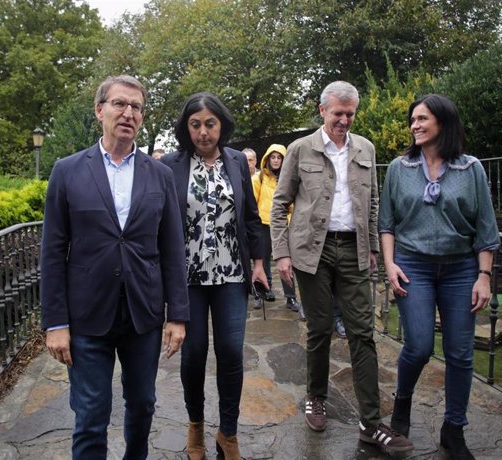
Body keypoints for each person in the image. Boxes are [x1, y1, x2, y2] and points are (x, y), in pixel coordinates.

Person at [40, 75, 189, 459]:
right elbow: (53, 250)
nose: (128, 113)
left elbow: (172, 247)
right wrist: (55, 323)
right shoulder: (67, 171)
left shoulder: (160, 174)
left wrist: (178, 315)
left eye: (136, 107)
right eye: (119, 104)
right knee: (90, 415)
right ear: (99, 110)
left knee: (142, 405)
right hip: (87, 315)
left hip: (143, 313)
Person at [271, 80, 413, 454]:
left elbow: (372, 202)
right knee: (319, 329)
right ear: (322, 111)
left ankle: (370, 423)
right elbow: (279, 204)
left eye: (350, 114)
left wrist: (369, 248)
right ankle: (315, 397)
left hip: (352, 250)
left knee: (362, 333)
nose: (344, 121)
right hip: (309, 252)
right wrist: (281, 253)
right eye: (338, 113)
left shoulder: (365, 147)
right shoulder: (301, 149)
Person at [379, 93, 499, 460]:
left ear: (442, 123)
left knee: (461, 355)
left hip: (461, 269)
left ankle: (454, 429)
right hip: (412, 265)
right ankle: (402, 406)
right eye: (412, 119)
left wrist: (484, 276)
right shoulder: (400, 168)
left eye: (422, 119)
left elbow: (485, 228)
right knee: (418, 345)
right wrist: (389, 265)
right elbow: (387, 223)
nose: (414, 125)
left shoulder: (471, 169)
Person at [160, 92, 268, 460]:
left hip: (232, 275)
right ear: (185, 128)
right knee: (193, 355)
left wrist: (258, 263)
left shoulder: (237, 161)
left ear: (221, 125)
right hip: (187, 278)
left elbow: (251, 217)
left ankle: (228, 433)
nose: (203, 132)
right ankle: (195, 427)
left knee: (231, 353)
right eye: (195, 125)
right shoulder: (171, 165)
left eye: (210, 124)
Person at [252, 144, 304, 316]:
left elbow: (296, 201)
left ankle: (290, 297)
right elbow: (252, 203)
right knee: (263, 260)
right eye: (272, 157)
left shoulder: (290, 178)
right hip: (264, 224)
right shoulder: (258, 178)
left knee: (287, 261)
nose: (275, 160)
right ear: (267, 159)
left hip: (284, 225)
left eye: (279, 157)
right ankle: (264, 290)